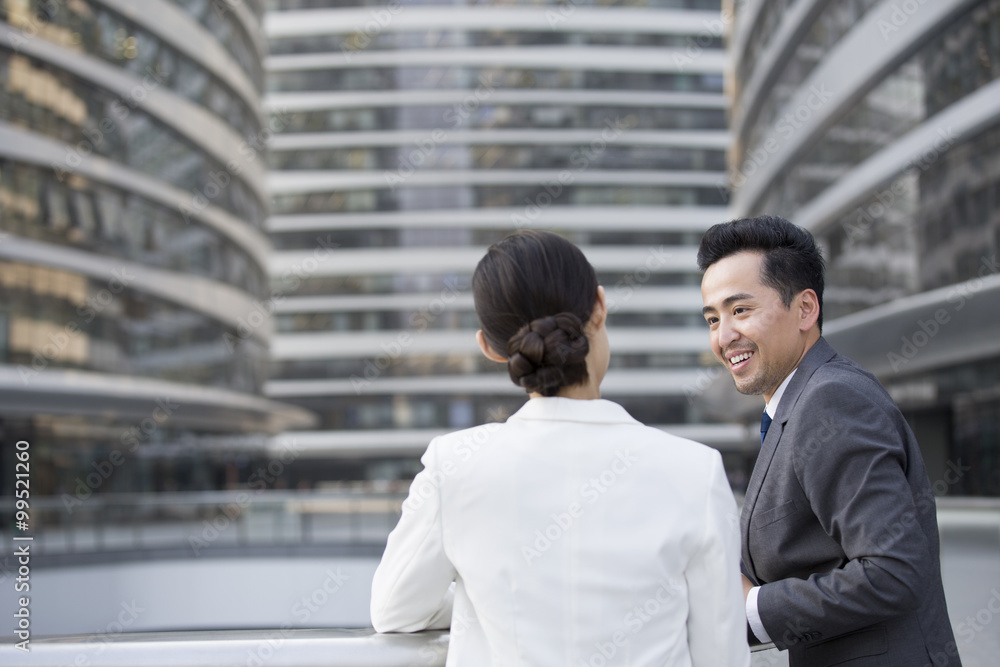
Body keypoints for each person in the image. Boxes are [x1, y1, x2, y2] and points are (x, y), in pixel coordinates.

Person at [371, 230, 750, 666]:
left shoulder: (452, 464)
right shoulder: (695, 471)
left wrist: (483, 598)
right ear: (600, 307)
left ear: (490, 349)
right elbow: (721, 655)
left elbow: (393, 611)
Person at [698, 215, 960, 666]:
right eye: (712, 318)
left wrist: (753, 608)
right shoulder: (795, 405)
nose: (723, 337)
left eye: (740, 310)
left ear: (805, 309)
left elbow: (894, 571)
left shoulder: (831, 400)